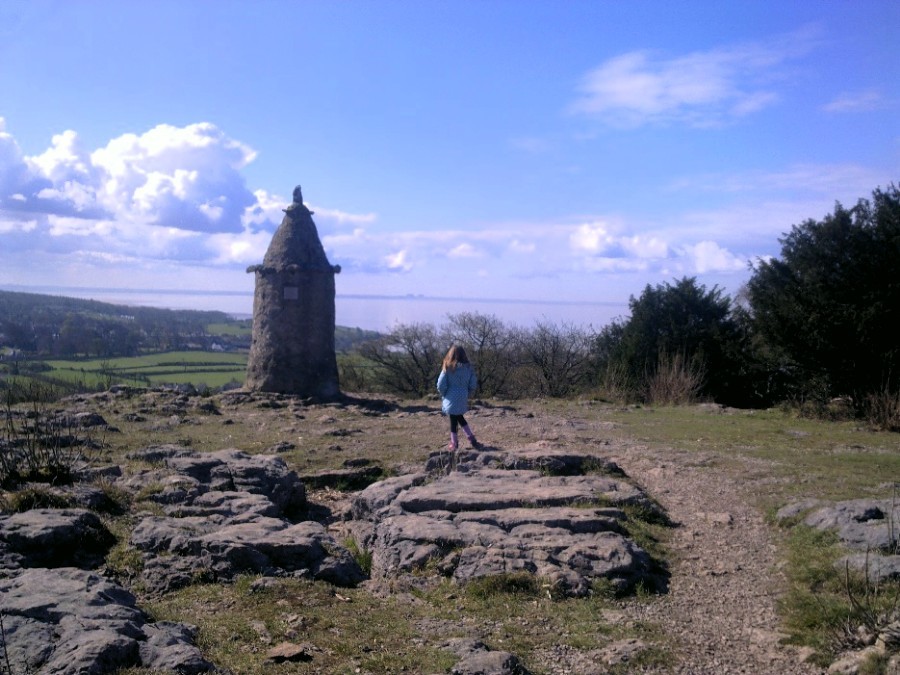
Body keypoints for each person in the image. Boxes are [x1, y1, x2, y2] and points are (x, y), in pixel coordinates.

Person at [436, 344, 481, 450]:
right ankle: (471, 438)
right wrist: (468, 392)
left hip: (450, 396)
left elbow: (440, 384)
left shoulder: (447, 367)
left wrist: (444, 393)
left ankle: (454, 442)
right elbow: (473, 383)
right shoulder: (469, 368)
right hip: (463, 395)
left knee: (453, 419)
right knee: (459, 417)